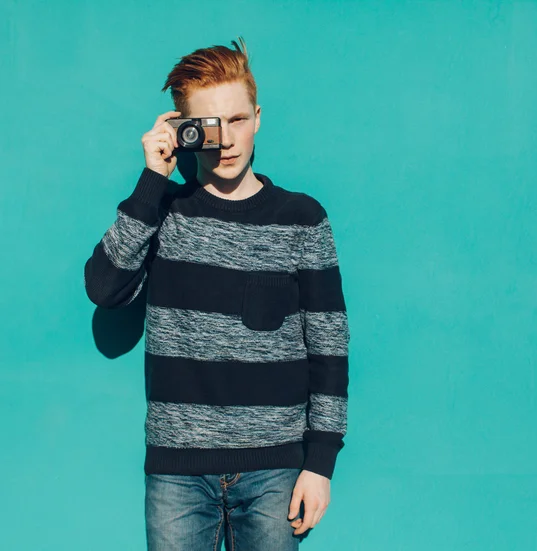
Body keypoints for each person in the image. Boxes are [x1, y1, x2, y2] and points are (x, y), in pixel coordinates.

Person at [84, 36, 350, 551]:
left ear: (258, 116)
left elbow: (329, 347)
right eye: (208, 125)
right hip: (177, 470)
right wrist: (152, 177)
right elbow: (105, 287)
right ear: (184, 131)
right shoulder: (161, 211)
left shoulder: (302, 219)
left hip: (275, 467)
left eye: (238, 120)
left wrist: (321, 463)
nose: (226, 140)